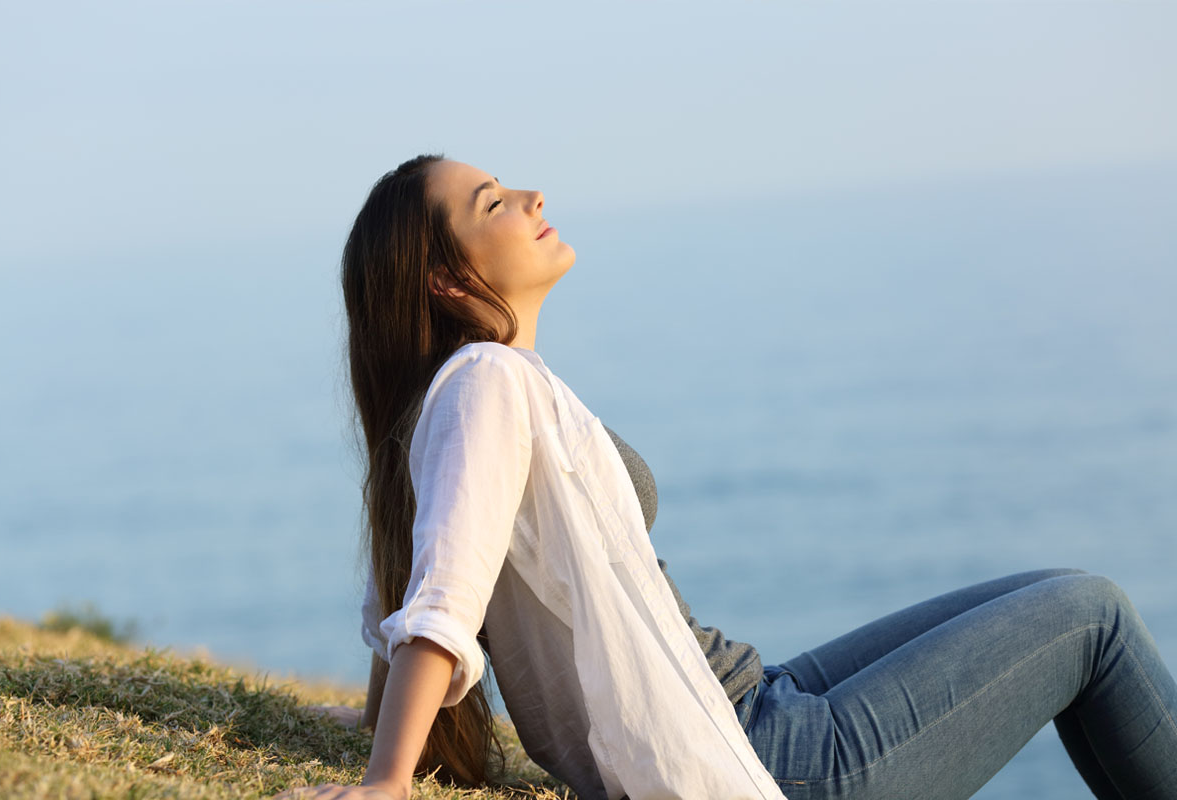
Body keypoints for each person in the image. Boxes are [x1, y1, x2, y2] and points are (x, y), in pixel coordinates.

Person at [273, 154, 1177, 800]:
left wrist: (379, 721)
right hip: (769, 758)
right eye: (493, 201)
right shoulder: (485, 384)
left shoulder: (489, 392)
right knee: (1092, 615)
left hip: (751, 695)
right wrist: (388, 779)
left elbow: (419, 573)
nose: (531, 192)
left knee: (1062, 592)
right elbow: (445, 589)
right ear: (442, 277)